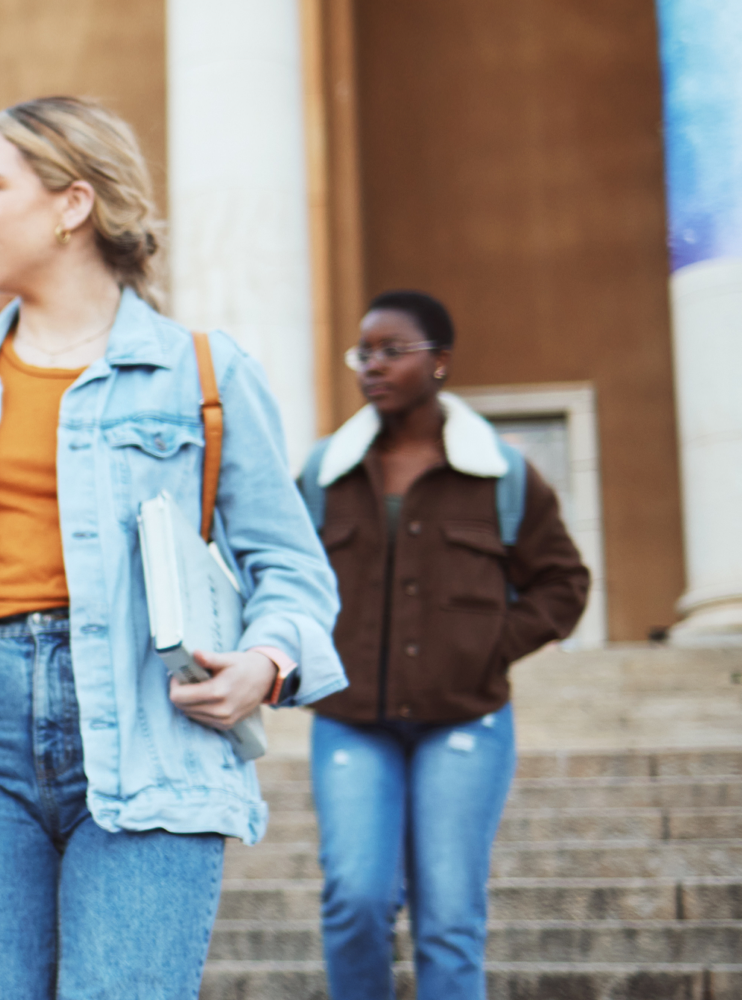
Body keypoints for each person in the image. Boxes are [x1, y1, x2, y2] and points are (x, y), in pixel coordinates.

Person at [0, 96, 344, 998]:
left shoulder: (202, 374)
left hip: (152, 727)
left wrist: (269, 659)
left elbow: (291, 567)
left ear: (71, 204)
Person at [303, 290, 588, 1000]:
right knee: (355, 899)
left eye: (390, 350)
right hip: (351, 720)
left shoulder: (504, 476)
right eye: (362, 352)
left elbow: (564, 583)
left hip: (466, 717)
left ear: (440, 364)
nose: (371, 365)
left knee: (450, 919)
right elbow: (281, 575)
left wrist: (490, 644)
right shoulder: (320, 475)